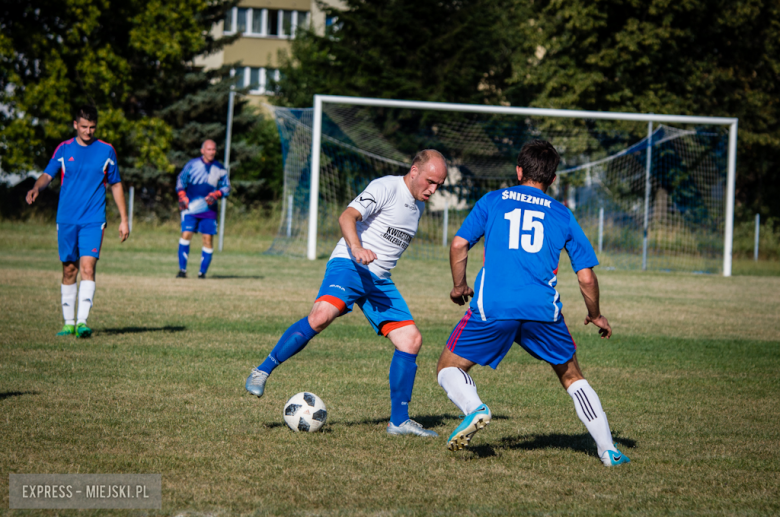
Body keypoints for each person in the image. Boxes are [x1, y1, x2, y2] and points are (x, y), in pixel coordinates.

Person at [436, 140, 630, 466]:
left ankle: (475, 408)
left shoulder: (493, 200)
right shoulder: (562, 215)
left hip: (494, 306)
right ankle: (608, 449)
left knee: (448, 367)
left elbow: (459, 244)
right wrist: (595, 315)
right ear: (552, 179)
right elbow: (585, 277)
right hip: (543, 311)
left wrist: (459, 286)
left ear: (518, 171)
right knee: (571, 376)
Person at [245, 150, 448, 437]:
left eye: (439, 184)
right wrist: (356, 248)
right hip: (350, 265)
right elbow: (347, 216)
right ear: (414, 171)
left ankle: (399, 422)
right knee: (321, 316)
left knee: (411, 340)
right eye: (430, 181)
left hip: (378, 280)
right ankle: (262, 370)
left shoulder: (418, 205)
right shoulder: (386, 187)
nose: (434, 189)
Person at [26, 105, 129, 338]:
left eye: (92, 127)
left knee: (87, 268)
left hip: (93, 219)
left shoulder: (106, 151)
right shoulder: (63, 149)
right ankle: (68, 323)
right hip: (67, 219)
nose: (88, 131)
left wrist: (124, 219)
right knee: (69, 269)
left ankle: (82, 322)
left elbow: (116, 184)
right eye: (83, 126)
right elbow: (47, 174)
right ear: (75, 125)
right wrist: (36, 188)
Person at [175, 139, 230, 279]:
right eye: (209, 149)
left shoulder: (220, 168)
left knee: (207, 239)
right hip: (191, 208)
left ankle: (202, 273)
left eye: (213, 149)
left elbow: (226, 187)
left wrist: (217, 194)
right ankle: (182, 270)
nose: (211, 152)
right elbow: (181, 180)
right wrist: (182, 195)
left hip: (209, 210)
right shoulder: (192, 164)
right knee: (186, 234)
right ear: (202, 151)